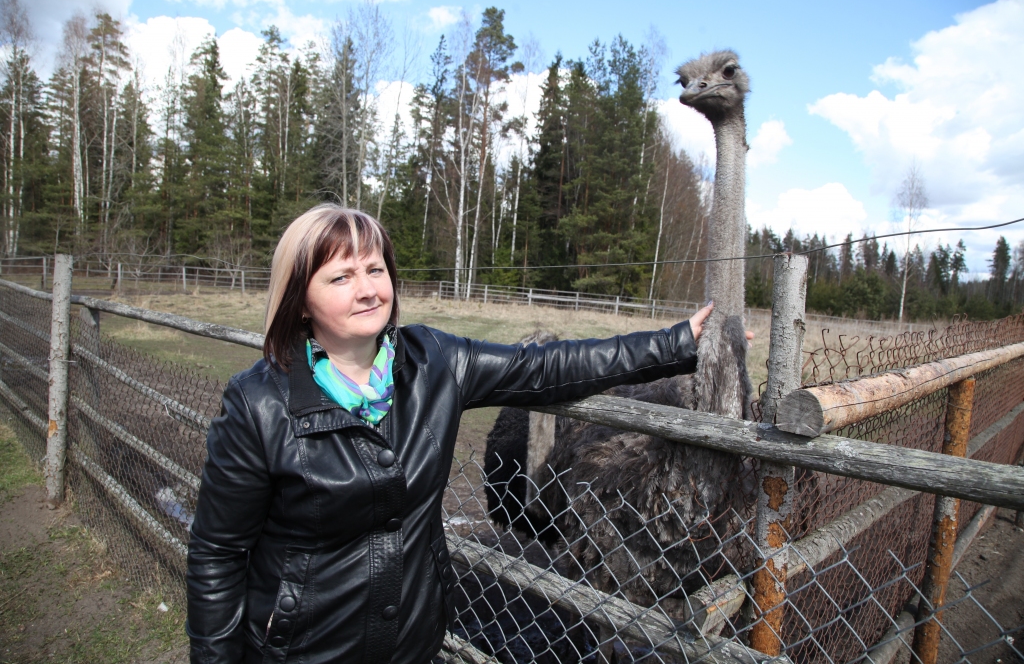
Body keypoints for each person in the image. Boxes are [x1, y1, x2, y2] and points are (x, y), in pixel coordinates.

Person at [186, 204, 714, 664]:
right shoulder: (258, 404)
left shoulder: (433, 362)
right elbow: (217, 554)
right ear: (301, 300)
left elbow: (544, 367)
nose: (369, 290)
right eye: (341, 277)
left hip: (411, 643)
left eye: (375, 269)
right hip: (303, 651)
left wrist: (672, 344)